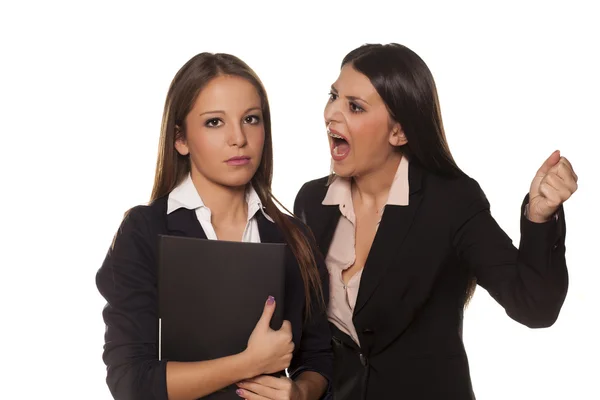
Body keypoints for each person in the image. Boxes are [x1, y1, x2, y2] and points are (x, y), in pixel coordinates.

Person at [293, 43, 578, 399]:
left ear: (399, 132)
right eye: (333, 95)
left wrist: (539, 217)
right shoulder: (312, 202)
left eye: (354, 106)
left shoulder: (451, 201)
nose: (331, 114)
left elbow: (534, 307)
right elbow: (311, 334)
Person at [96, 52, 332, 400]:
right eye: (214, 122)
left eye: (251, 119)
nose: (238, 138)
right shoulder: (144, 232)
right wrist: (248, 363)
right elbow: (132, 382)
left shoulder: (293, 236)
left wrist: (299, 394)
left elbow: (318, 358)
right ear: (181, 139)